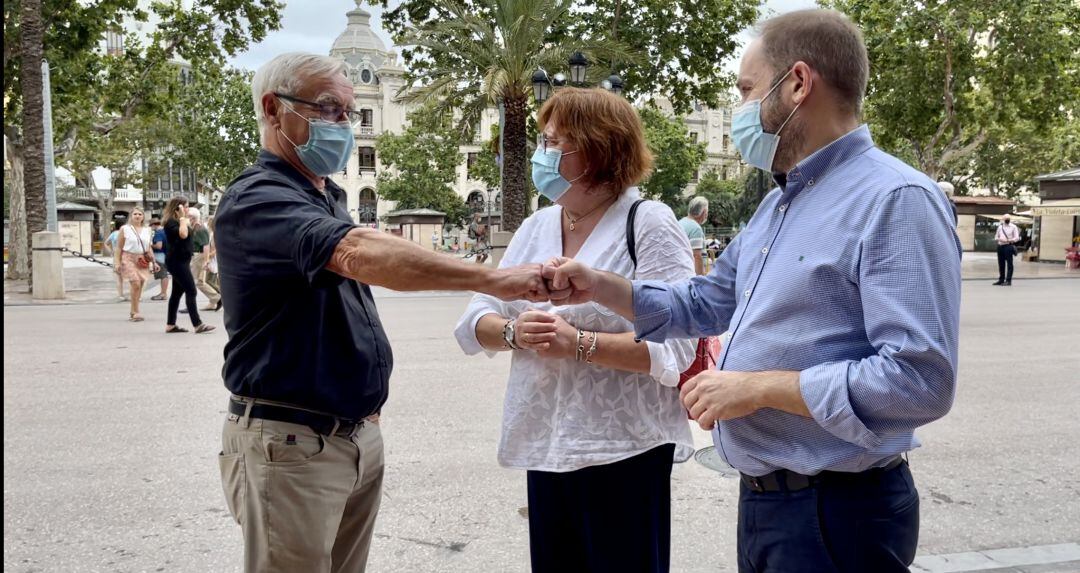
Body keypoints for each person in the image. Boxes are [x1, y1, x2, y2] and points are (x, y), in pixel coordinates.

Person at [542, 10, 961, 572]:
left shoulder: (895, 198)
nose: (740, 110)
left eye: (746, 90)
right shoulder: (778, 204)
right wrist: (600, 286)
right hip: (769, 503)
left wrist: (760, 388)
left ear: (797, 83)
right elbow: (704, 302)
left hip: (836, 510)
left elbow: (919, 383)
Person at [213, 52, 551, 573]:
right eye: (327, 108)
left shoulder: (328, 195)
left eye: (348, 112)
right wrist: (495, 277)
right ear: (273, 109)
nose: (343, 124)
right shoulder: (259, 198)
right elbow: (358, 253)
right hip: (293, 444)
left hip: (349, 436)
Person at [455, 87, 696, 573]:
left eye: (554, 142)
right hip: (547, 444)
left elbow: (677, 348)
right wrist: (513, 333)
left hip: (624, 451)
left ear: (599, 150)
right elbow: (475, 316)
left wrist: (578, 344)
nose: (541, 153)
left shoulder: (647, 223)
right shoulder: (537, 226)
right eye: (543, 140)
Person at [162, 196, 215, 334]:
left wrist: (189, 223)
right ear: (177, 208)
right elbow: (183, 235)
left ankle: (170, 324)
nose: (187, 209)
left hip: (182, 260)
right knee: (191, 290)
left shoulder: (181, 221)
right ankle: (197, 324)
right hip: (177, 261)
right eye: (185, 206)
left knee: (176, 294)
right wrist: (182, 218)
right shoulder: (171, 222)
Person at [115, 207, 155, 321]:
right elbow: (118, 247)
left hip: (143, 259)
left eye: (140, 214)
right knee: (136, 284)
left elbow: (148, 247)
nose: (137, 216)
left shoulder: (148, 230)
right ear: (131, 216)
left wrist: (154, 262)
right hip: (128, 257)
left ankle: (134, 310)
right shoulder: (125, 229)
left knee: (140, 286)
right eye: (135, 214)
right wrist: (117, 262)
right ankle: (135, 312)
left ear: (143, 217)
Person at [188, 207, 222, 310]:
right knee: (199, 281)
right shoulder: (196, 227)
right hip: (197, 256)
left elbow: (206, 246)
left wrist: (206, 261)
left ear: (192, 217)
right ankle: (214, 301)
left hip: (199, 256)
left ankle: (217, 298)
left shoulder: (200, 229)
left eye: (187, 216)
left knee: (198, 282)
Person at [680, 196, 709, 275]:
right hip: (690, 273)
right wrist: (700, 278)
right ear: (704, 212)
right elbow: (696, 255)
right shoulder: (695, 228)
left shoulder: (681, 222)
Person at [994, 215, 1020, 286]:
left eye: (1008, 219)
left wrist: (1008, 240)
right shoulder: (1000, 227)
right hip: (1000, 246)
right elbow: (996, 237)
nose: (1007, 220)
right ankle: (1001, 279)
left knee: (1009, 264)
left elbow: (1017, 238)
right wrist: (1000, 239)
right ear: (1003, 219)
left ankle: (1008, 280)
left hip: (1008, 246)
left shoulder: (1013, 227)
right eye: (1006, 219)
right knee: (1001, 264)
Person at [149, 217, 170, 301]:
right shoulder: (166, 231)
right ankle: (163, 293)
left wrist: (149, 245)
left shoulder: (158, 233)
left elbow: (158, 245)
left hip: (160, 256)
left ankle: (163, 293)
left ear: (154, 225)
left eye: (151, 226)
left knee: (163, 275)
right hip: (167, 254)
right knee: (164, 275)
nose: (151, 227)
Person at [107, 222, 126, 300]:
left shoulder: (113, 234)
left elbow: (106, 243)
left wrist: (111, 251)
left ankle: (120, 295)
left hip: (116, 255)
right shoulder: (126, 232)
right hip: (126, 255)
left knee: (119, 277)